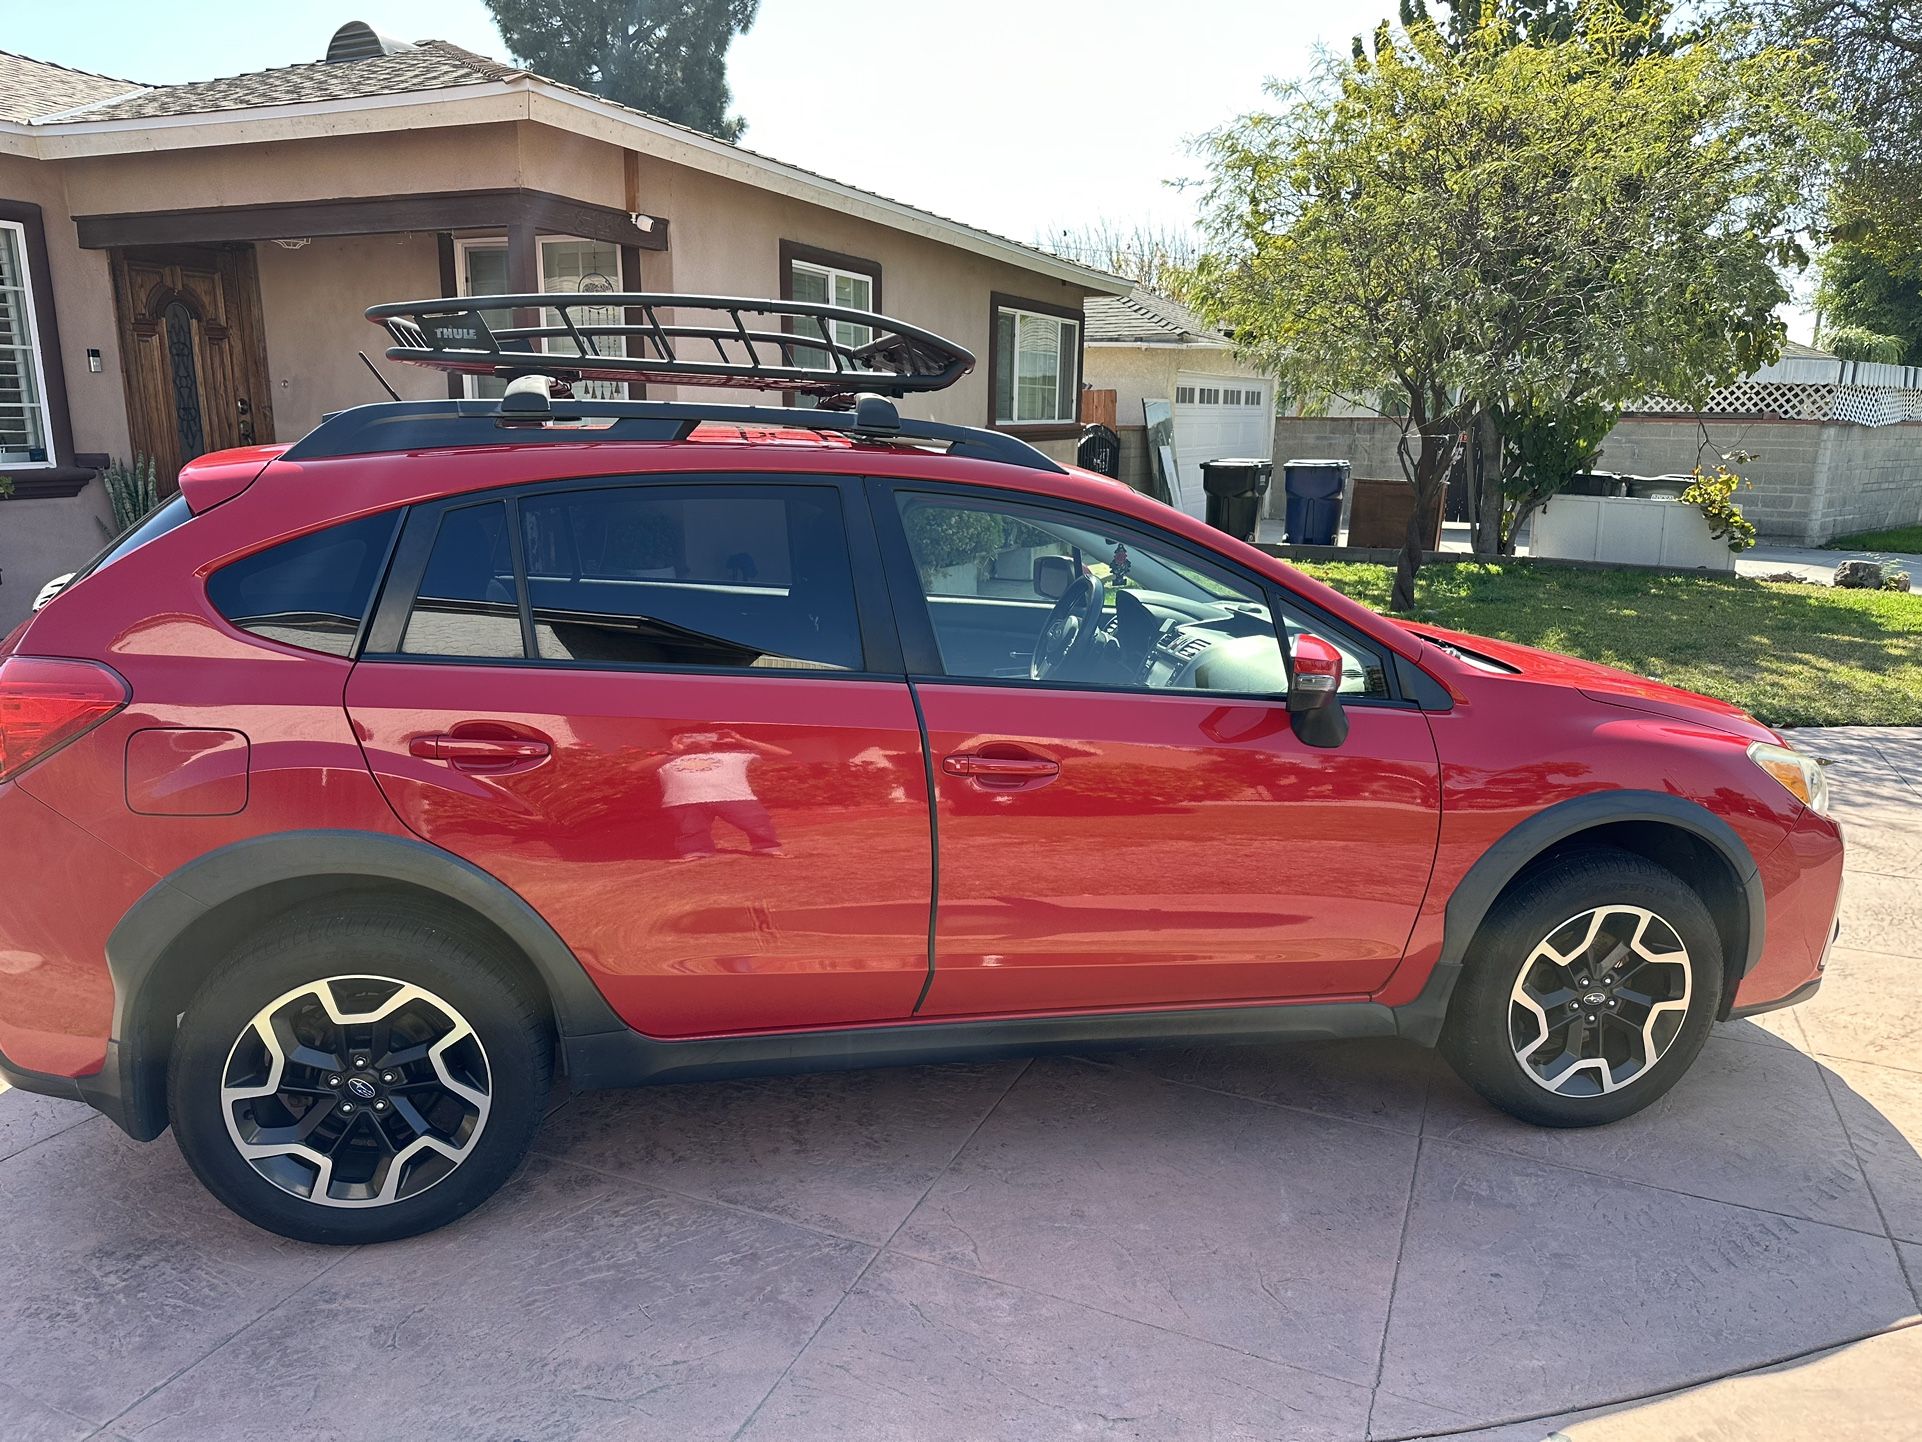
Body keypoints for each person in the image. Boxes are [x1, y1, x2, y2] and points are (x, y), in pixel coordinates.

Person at [646, 728, 791, 860]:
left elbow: (784, 754)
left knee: (757, 823)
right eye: (690, 737)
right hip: (684, 800)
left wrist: (742, 740)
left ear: (713, 741)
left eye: (704, 737)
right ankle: (696, 851)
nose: (697, 741)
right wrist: (672, 751)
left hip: (736, 797)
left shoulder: (733, 754)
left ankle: (767, 847)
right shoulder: (665, 758)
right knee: (690, 830)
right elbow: (635, 769)